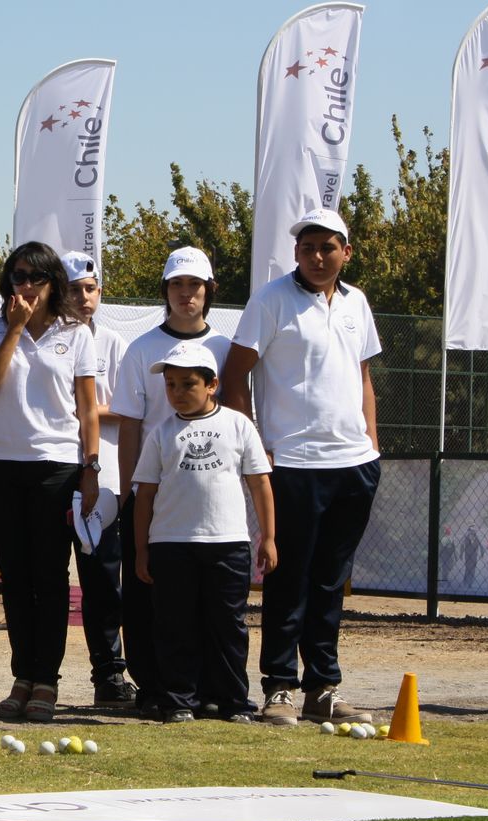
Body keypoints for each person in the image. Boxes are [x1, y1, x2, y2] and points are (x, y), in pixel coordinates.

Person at [221, 208, 380, 727]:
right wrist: (256, 447)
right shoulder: (270, 300)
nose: (317, 256)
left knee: (332, 580)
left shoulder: (357, 303)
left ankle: (324, 688)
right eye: (308, 247)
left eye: (328, 247)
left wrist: (372, 445)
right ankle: (280, 688)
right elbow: (235, 375)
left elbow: (363, 379)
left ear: (346, 253)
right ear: (296, 252)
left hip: (353, 465)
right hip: (292, 462)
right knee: (288, 578)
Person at [0, 242, 100, 723]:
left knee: (50, 580)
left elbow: (87, 408)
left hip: (57, 467)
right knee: (15, 578)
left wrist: (90, 468)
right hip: (3, 465)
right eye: (16, 276)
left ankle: (46, 681)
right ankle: (21, 677)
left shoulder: (78, 333)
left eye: (33, 278)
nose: (23, 286)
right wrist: (15, 328)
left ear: (53, 284)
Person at [109, 246, 232, 719]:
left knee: (206, 598)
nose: (186, 295)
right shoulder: (141, 349)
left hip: (209, 497)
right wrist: (131, 491)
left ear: (209, 291)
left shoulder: (224, 348)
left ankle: (207, 688)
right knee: (145, 593)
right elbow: (132, 425)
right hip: (155, 496)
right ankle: (153, 685)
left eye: (195, 286)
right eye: (177, 286)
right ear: (165, 291)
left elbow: (238, 420)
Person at [132, 343, 275, 723]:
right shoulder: (161, 433)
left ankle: (232, 701)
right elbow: (145, 495)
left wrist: (269, 537)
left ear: (212, 385)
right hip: (170, 545)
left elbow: (260, 483)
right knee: (175, 626)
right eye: (171, 385)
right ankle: (179, 701)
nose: (177, 392)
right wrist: (141, 551)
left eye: (187, 384)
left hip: (227, 543)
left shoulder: (238, 424)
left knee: (227, 626)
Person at [60, 251, 137, 708]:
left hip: (101, 474)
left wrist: (85, 408)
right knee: (50, 580)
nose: (83, 298)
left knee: (103, 579)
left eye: (90, 289)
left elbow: (127, 410)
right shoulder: (51, 339)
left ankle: (110, 675)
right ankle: (36, 676)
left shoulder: (113, 343)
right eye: (73, 289)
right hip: (54, 471)